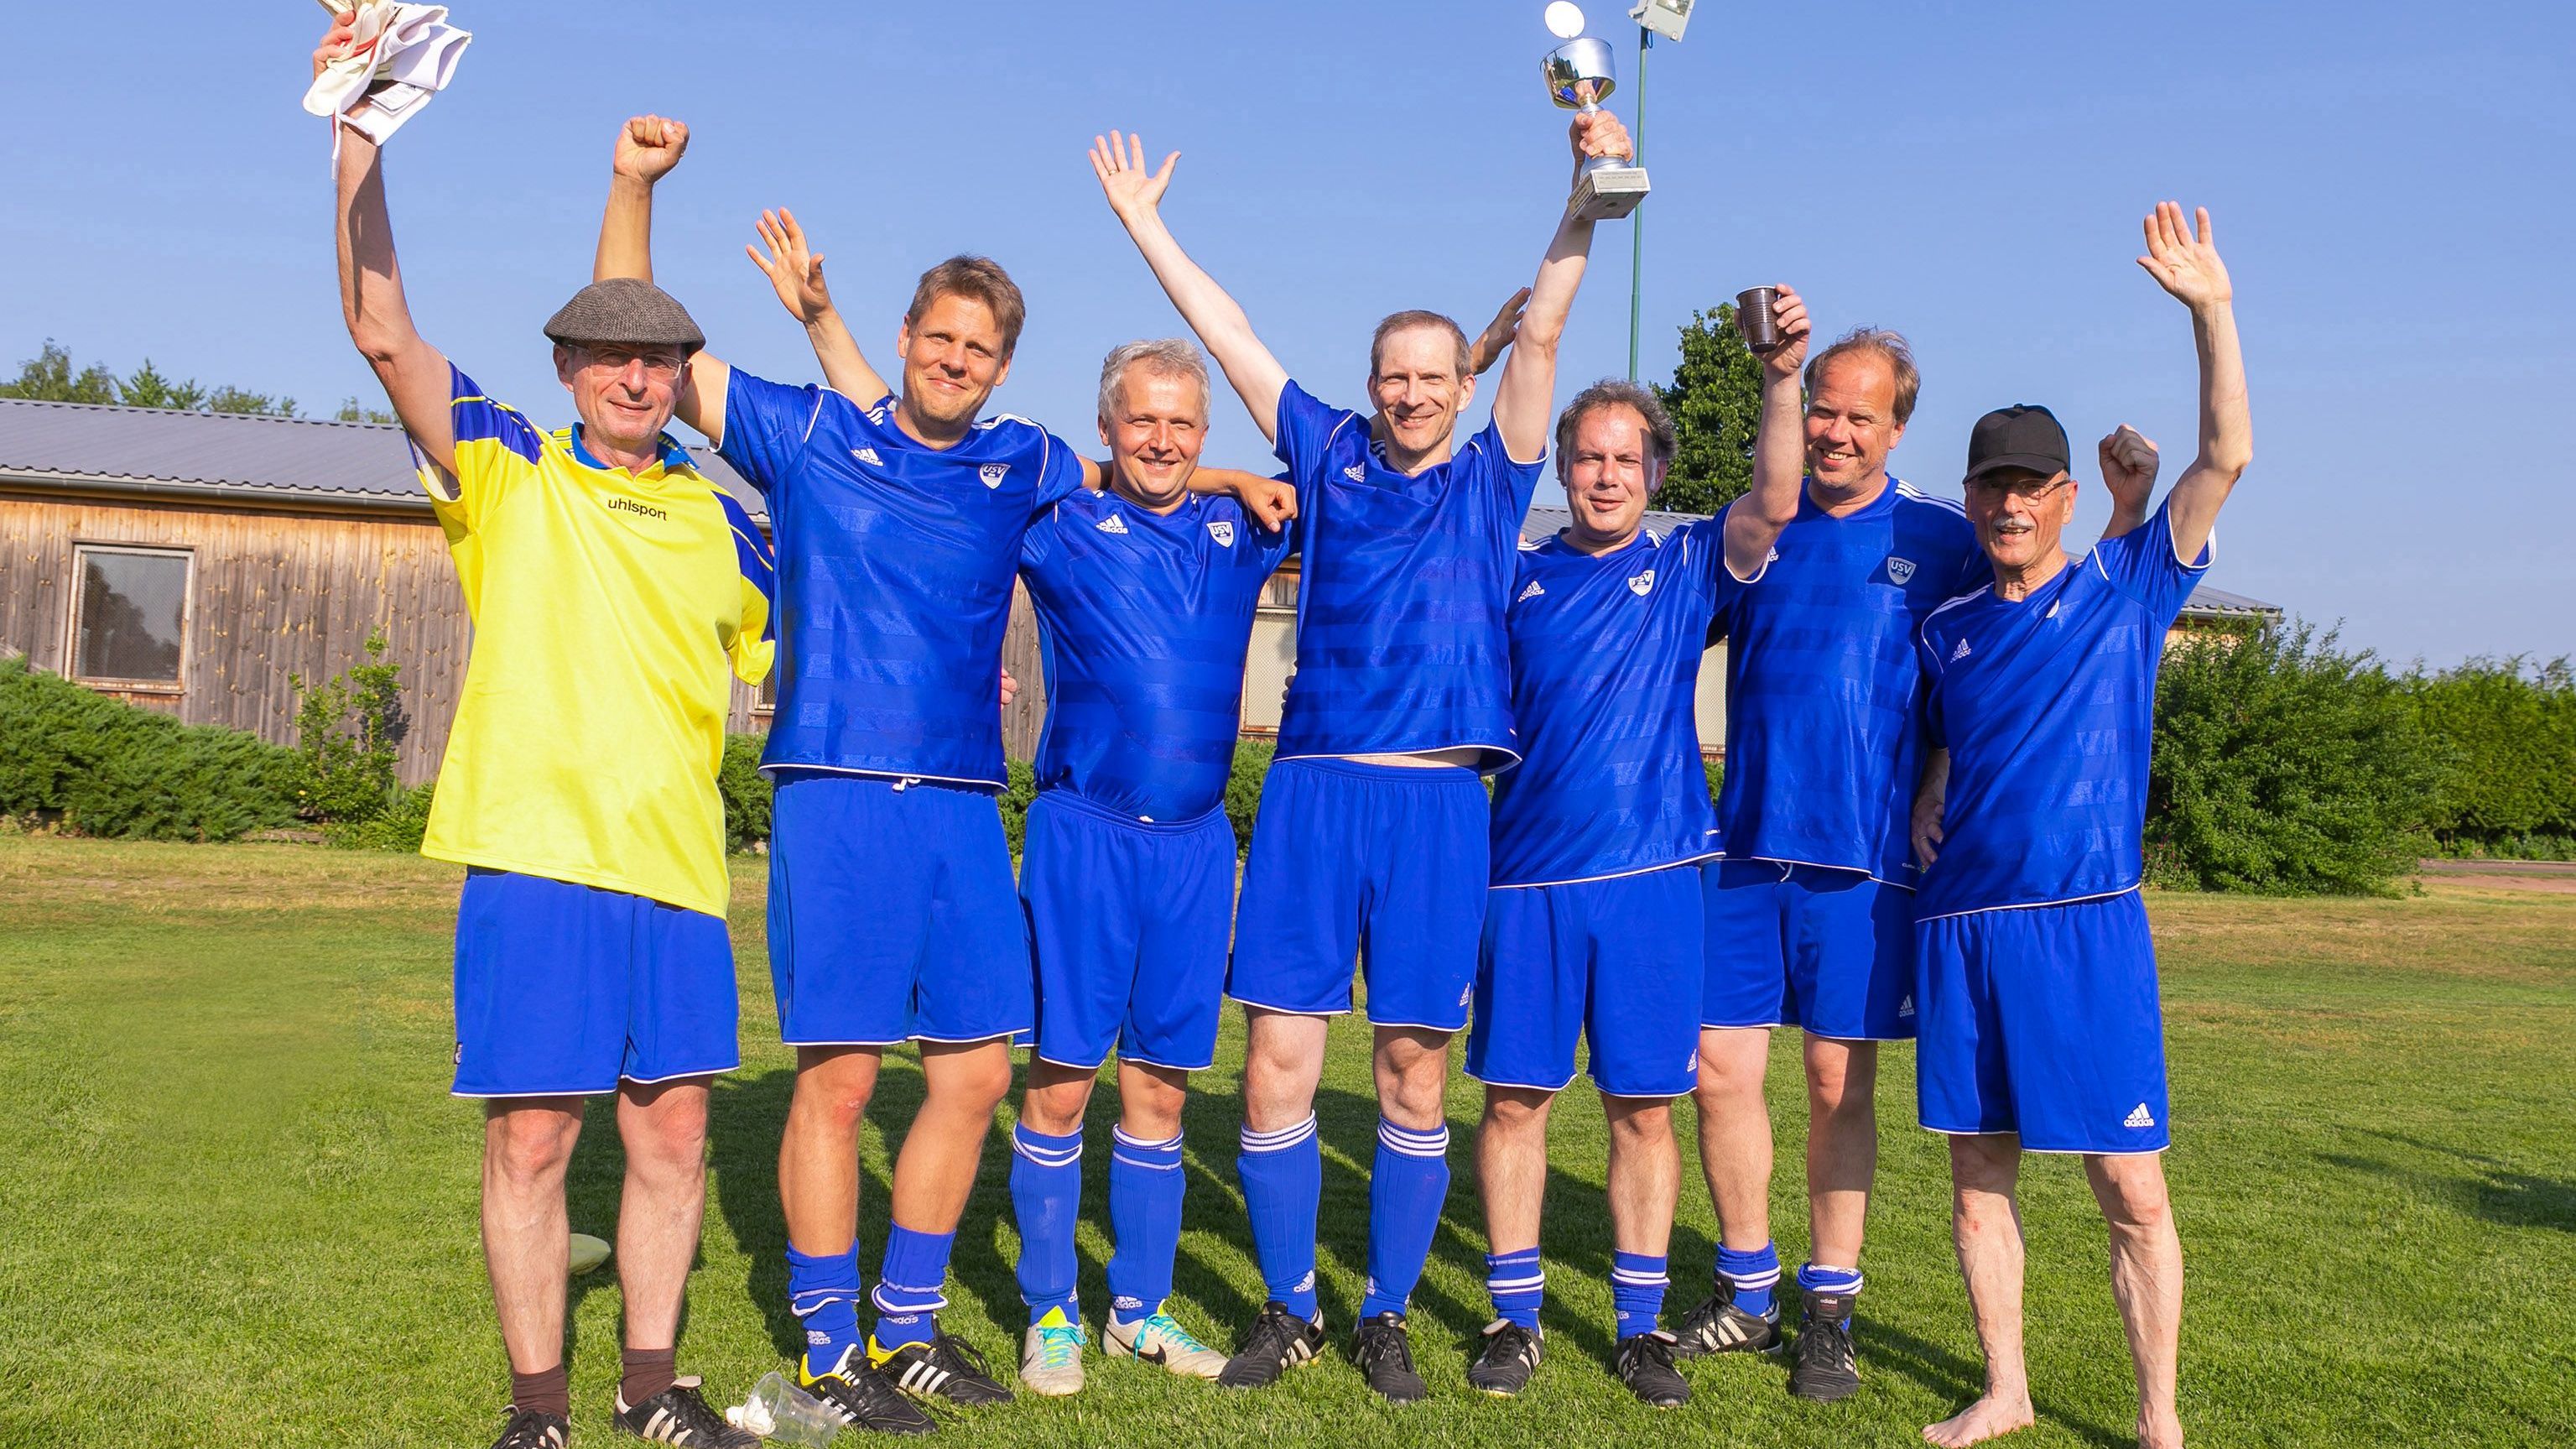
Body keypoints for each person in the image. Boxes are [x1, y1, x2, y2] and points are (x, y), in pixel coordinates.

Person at [591, 122, 1287, 1431]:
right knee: (842, 1079)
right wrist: (634, 188)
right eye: (939, 338)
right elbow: (641, 344)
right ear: (905, 340)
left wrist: (1235, 473)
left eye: (979, 348)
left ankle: (907, 1327)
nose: (955, 360)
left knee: (971, 1073)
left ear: (1002, 366)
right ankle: (824, 1345)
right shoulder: (805, 437)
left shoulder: (1016, 459)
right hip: (838, 795)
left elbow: (1129, 472)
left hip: (969, 809)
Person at [1090, 112, 1623, 1402]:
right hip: (1317, 791)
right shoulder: (1324, 451)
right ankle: (1290, 1305)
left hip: (1439, 799)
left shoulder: (1494, 475)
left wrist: (1580, 200)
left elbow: (1542, 328)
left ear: (1459, 383)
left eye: (1433, 373)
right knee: (1277, 1052)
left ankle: (1383, 1306)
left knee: (1409, 1063)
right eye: (1392, 373)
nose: (1410, 391)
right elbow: (1227, 335)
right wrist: (1144, 223)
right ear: (1371, 381)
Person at [319, 22, 770, 1449]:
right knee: (532, 1136)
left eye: (659, 360)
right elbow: (381, 328)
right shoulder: (507, 468)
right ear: (568, 369)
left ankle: (651, 1388)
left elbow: (823, 661)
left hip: (679, 871)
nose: (636, 379)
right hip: (534, 855)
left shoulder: (733, 530)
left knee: (675, 1134)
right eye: (609, 356)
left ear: (680, 376)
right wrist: (358, 134)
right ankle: (537, 1411)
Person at [1676, 296, 2148, 1399]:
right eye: (1822, 411)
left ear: (1896, 430)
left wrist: (1934, 772)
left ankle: (1827, 1305)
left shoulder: (1940, 538)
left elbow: (2042, 632)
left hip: (1870, 859)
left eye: (1859, 416)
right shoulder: (1755, 519)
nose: (1836, 430)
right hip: (1745, 844)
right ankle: (1746, 1288)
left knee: (1836, 1081)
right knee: (1716, 1069)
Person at [1909, 203, 2249, 1449]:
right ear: (1970, 497)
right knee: (1974, 1177)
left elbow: (2223, 455)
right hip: (1957, 928)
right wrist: (1928, 780)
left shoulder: (2124, 586)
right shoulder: (1942, 624)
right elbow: (1943, 725)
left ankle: (2157, 1420)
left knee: (2127, 1186)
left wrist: (2209, 309)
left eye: (2026, 487)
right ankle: (2005, 1386)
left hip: (2081, 927)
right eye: (1988, 486)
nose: (2006, 507)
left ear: (2061, 496)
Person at [1462, 374, 1801, 1407]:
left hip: (1653, 880)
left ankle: (1637, 1326)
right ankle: (1512, 1317)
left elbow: (1775, 498)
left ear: (1653, 473)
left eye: (1624, 459)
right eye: (1588, 457)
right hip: (1523, 881)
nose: (1604, 474)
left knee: (1643, 1109)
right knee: (1516, 1099)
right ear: (1563, 470)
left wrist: (1779, 375)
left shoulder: (1687, 560)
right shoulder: (1512, 577)